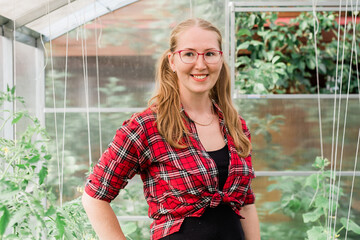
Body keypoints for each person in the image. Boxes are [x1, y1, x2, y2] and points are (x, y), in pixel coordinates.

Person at [82, 18, 260, 240]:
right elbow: (95, 196)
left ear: (221, 59)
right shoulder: (147, 126)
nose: (201, 64)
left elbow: (246, 205)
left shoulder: (236, 125)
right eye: (189, 54)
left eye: (210, 54)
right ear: (172, 61)